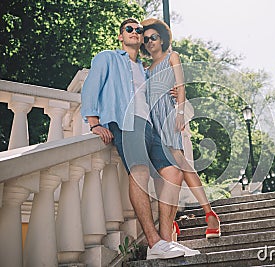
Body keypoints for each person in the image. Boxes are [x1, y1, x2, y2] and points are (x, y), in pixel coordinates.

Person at [80, 18, 195, 259]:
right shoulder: (108, 58)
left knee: (174, 173)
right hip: (126, 122)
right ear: (121, 36)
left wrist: (174, 94)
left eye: (139, 30)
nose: (135, 32)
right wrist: (94, 123)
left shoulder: (145, 70)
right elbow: (91, 87)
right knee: (140, 172)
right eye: (129, 29)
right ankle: (153, 243)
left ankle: (166, 240)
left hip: (149, 127)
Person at [140, 18, 221, 239]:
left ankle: (209, 214)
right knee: (161, 174)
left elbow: (181, 85)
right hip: (151, 121)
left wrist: (180, 112)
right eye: (145, 39)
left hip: (168, 116)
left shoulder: (171, 57)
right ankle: (171, 223)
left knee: (181, 163)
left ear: (162, 38)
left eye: (153, 37)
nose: (149, 42)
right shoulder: (146, 69)